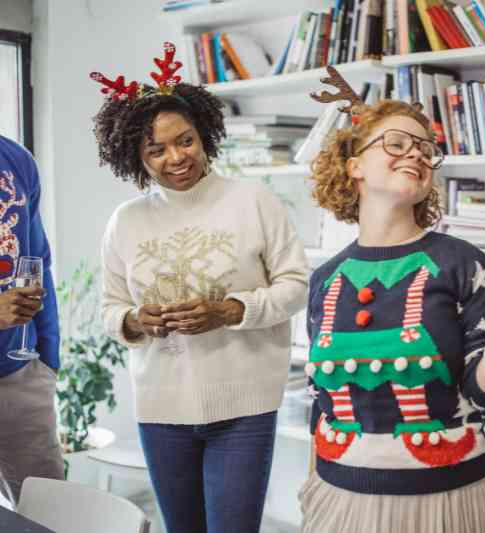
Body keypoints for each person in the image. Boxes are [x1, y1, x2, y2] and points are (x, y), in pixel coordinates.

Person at [300, 69, 485, 533]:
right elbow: (321, 401)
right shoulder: (324, 279)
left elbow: (484, 397)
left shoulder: (461, 262)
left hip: (446, 499)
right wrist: (312, 487)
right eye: (397, 143)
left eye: (425, 149)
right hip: (339, 497)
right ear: (354, 165)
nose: (416, 152)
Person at [92, 42, 309, 533]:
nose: (176, 157)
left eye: (185, 140)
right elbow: (110, 307)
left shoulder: (255, 201)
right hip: (161, 408)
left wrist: (231, 311)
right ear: (136, 157)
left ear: (205, 135)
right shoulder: (124, 221)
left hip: (244, 406)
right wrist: (132, 320)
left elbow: (296, 287)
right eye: (157, 149)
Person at [0, 135, 61, 502]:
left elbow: (38, 260)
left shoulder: (15, 158)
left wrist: (48, 360)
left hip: (21, 377)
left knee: (46, 512)